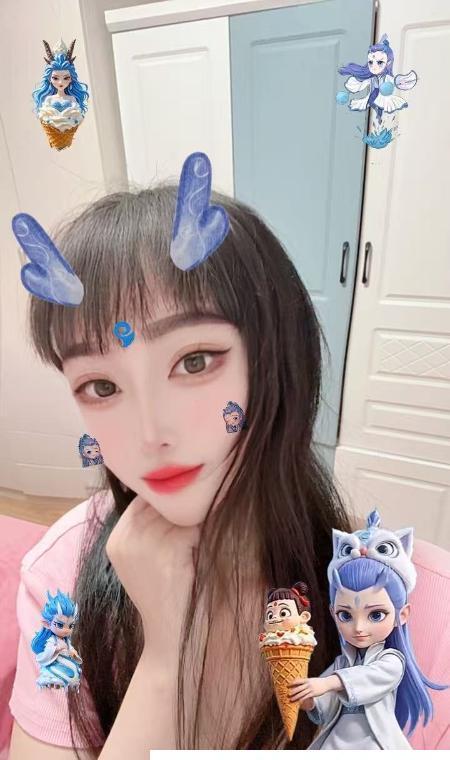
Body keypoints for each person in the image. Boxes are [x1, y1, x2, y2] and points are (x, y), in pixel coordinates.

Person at [8, 183, 353, 758]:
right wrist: (165, 662)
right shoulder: (62, 573)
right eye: (101, 386)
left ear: (276, 357)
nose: (150, 436)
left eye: (194, 361)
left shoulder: (394, 595)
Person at [289, 511, 446, 749]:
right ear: (333, 612)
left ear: (402, 614)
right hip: (336, 740)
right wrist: (309, 700)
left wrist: (327, 683)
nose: (359, 628)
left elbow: (370, 676)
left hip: (373, 742)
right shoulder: (343, 662)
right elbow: (325, 707)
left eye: (376, 615)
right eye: (345, 615)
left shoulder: (392, 661)